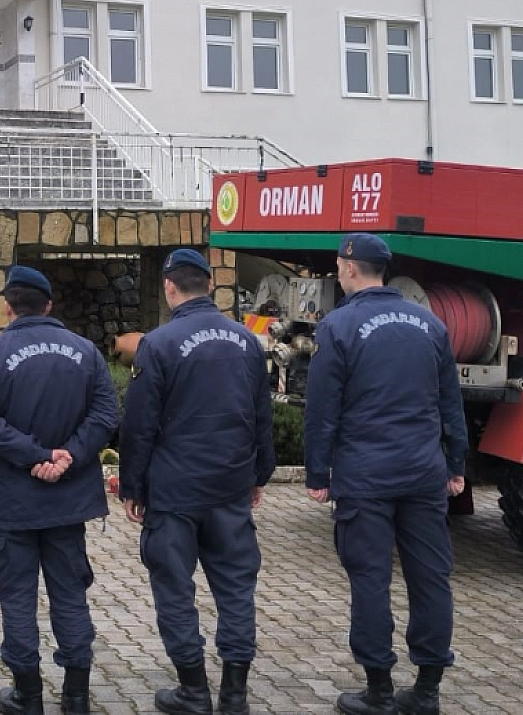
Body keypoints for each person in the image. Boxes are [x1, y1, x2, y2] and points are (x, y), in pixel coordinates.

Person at [303, 234, 467, 715]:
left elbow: (322, 411)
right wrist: (455, 465)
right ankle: (428, 690)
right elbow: (449, 404)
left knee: (371, 581)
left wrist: (318, 473)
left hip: (365, 477)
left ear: (351, 268)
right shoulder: (430, 325)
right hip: (422, 473)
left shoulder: (337, 327)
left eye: (338, 265)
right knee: (431, 578)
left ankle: (378, 692)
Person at [119, 248, 274, 715]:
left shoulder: (159, 344)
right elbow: (262, 416)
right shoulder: (247, 341)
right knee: (236, 588)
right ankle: (234, 695)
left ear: (169, 287)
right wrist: (258, 475)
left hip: (175, 492)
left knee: (173, 587)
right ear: (209, 285)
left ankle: (192, 689)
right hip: (230, 487)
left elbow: (139, 425)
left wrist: (133, 487)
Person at [0, 267, 118, 715]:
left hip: (13, 504)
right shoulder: (86, 352)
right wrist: (67, 455)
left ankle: (27, 697)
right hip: (67, 503)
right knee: (70, 596)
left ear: (8, 307)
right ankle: (75, 698)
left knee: (16, 600)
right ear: (49, 305)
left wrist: (35, 456)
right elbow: (107, 415)